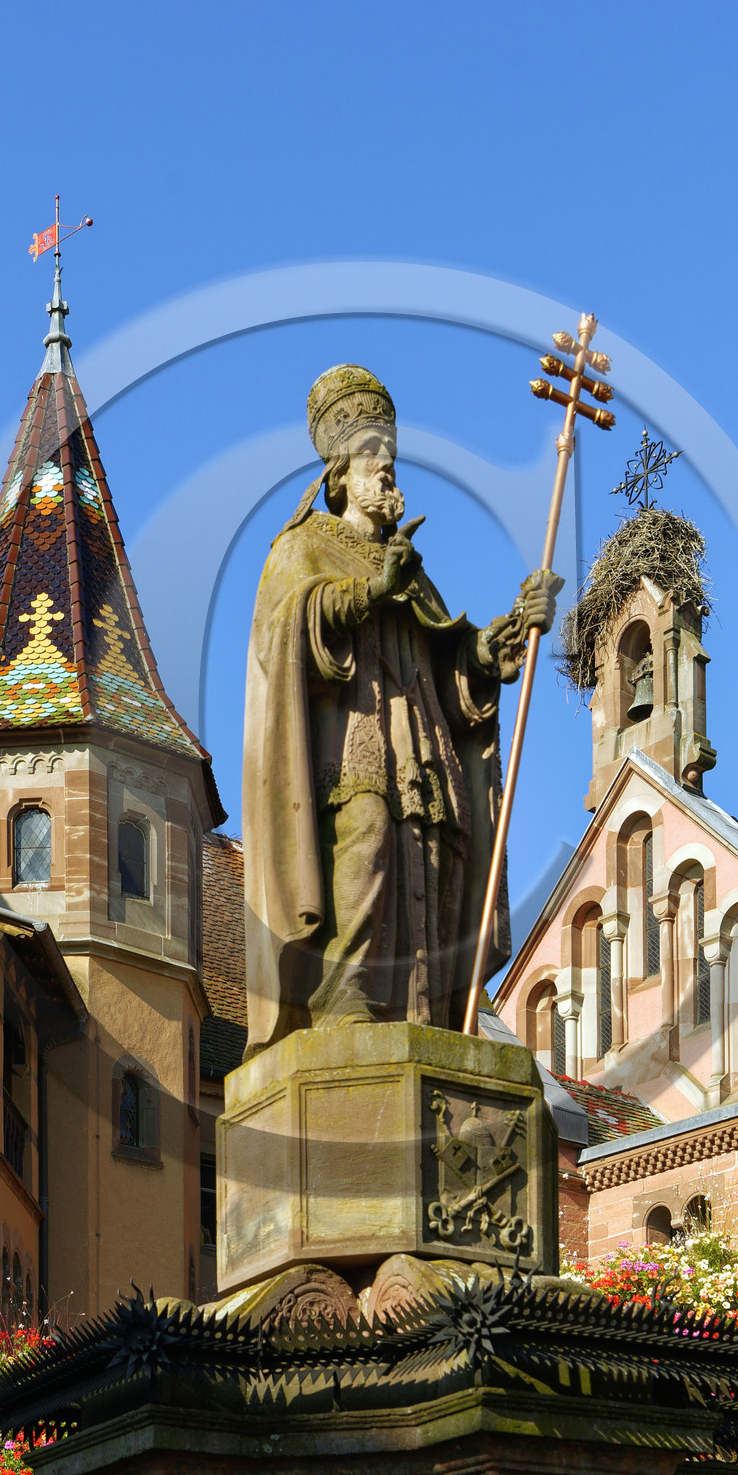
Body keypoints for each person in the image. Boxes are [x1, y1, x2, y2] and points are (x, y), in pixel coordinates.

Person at [242, 363, 560, 1055]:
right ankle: (344, 1002)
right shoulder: (302, 547)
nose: (387, 474)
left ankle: (421, 1015)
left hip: (420, 744)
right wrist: (369, 592)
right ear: (340, 476)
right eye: (372, 462)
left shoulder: (414, 569)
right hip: (349, 736)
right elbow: (290, 628)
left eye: (391, 462)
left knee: (431, 858)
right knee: (367, 839)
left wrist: (501, 639)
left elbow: (452, 667)